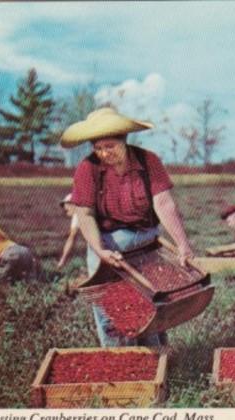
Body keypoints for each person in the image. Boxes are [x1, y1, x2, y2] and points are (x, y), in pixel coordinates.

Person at [61, 107, 195, 347]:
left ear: (124, 140)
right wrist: (100, 250)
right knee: (112, 309)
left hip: (146, 242)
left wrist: (183, 245)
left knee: (151, 302)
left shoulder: (148, 161)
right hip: (108, 244)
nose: (103, 153)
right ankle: (121, 362)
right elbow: (85, 213)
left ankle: (156, 359)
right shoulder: (87, 168)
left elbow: (163, 204)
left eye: (109, 146)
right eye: (98, 148)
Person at [57, 194, 81, 269]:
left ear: (73, 204)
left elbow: (72, 237)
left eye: (66, 204)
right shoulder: (76, 214)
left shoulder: (79, 212)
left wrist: (63, 260)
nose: (64, 208)